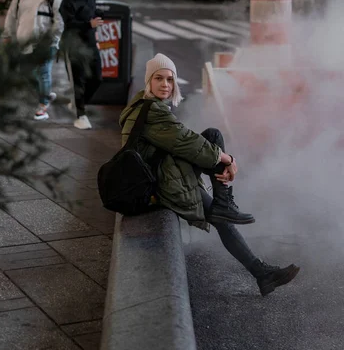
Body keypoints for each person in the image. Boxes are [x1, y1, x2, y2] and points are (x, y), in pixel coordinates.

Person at [120, 54, 300, 297]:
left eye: (170, 80)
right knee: (213, 142)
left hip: (157, 174)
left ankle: (258, 267)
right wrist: (229, 160)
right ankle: (227, 211)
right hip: (156, 185)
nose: (165, 84)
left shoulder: (143, 104)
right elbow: (187, 142)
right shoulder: (153, 112)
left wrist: (218, 158)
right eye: (159, 79)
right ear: (148, 81)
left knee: (213, 144)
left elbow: (183, 140)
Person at [2, 0, 64, 121]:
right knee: (26, 73)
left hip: (45, 43)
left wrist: (53, 40)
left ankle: (43, 105)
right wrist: (7, 34)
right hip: (24, 41)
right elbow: (11, 14)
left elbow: (60, 21)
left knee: (43, 73)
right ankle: (46, 93)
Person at [60, 0, 104, 130]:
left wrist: (96, 28)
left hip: (91, 44)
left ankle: (80, 102)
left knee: (97, 78)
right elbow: (69, 25)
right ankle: (80, 116)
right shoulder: (67, 2)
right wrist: (89, 25)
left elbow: (92, 13)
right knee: (78, 81)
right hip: (74, 46)